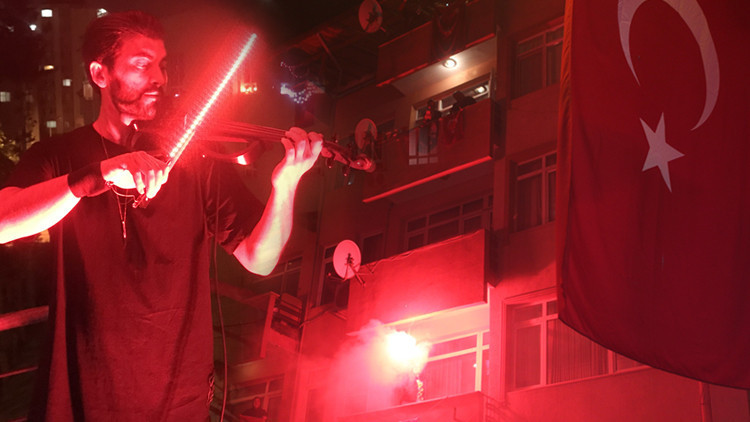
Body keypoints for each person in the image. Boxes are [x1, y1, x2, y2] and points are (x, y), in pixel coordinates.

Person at [0, 10, 322, 421]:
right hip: (87, 397)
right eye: (142, 64)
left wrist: (287, 185)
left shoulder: (196, 159)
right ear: (100, 74)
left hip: (179, 401)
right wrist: (98, 175)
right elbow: (4, 222)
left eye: (162, 66)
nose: (159, 78)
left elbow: (260, 259)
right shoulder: (58, 155)